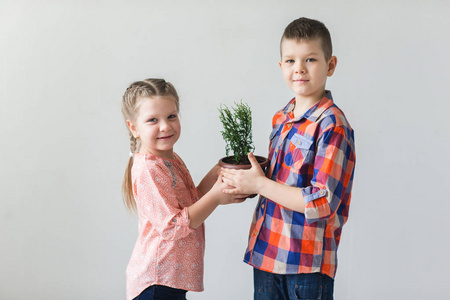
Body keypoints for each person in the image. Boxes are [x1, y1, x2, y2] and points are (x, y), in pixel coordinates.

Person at [221, 18, 356, 299]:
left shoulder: (332, 125)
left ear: (330, 65)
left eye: (310, 59)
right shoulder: (281, 118)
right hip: (266, 256)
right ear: (281, 66)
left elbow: (322, 201)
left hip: (306, 266)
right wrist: (249, 180)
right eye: (291, 60)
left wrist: (260, 185)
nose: (300, 69)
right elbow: (279, 182)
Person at [121, 78, 247, 300]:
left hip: (168, 281)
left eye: (171, 116)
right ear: (134, 128)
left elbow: (190, 202)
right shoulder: (149, 168)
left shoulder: (169, 159)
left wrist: (221, 169)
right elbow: (173, 227)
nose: (165, 126)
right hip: (156, 281)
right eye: (152, 120)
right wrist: (216, 197)